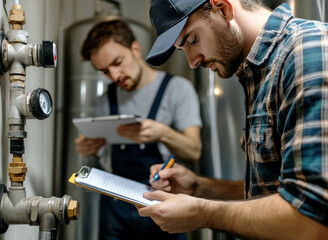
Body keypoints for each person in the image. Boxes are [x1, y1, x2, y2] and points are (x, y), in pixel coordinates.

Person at [137, 0, 328, 239]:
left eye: (192, 40)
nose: (192, 61)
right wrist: (199, 187)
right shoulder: (258, 71)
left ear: (223, 8)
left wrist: (200, 213)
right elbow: (271, 190)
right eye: (182, 48)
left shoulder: (307, 51)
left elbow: (312, 219)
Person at [75, 19, 202, 240]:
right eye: (105, 71)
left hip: (161, 204)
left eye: (117, 62)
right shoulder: (105, 100)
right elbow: (102, 152)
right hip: (115, 209)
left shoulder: (177, 89)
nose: (114, 76)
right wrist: (90, 147)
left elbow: (194, 150)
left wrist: (163, 133)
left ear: (135, 49)